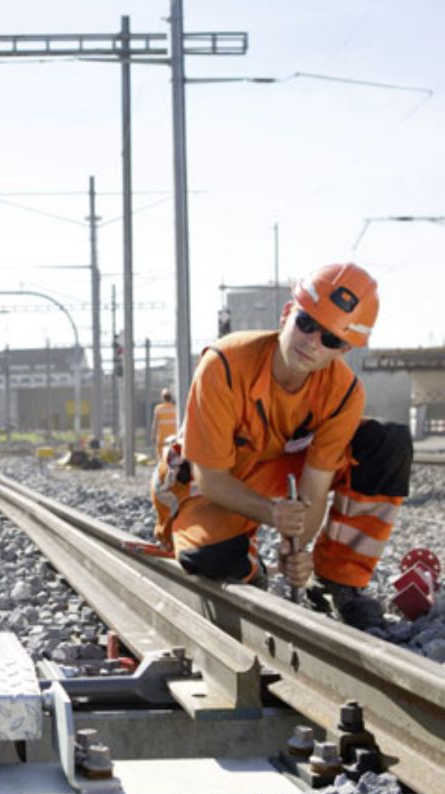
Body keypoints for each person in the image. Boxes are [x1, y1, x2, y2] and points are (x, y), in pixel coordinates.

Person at [152, 262, 412, 630]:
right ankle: (248, 562)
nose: (313, 342)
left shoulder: (344, 392)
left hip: (278, 478)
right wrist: (272, 515)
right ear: (288, 312)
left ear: (344, 349)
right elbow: (209, 478)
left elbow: (314, 490)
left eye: (332, 340)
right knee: (210, 560)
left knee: (386, 442)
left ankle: (337, 581)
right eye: (307, 324)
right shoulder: (225, 364)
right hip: (212, 482)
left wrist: (296, 548)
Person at [151, 388, 178, 457]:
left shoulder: (158, 408)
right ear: (171, 397)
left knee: (162, 458)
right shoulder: (176, 408)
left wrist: (153, 436)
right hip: (173, 438)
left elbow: (155, 424)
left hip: (162, 439)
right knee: (172, 459)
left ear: (163, 398)